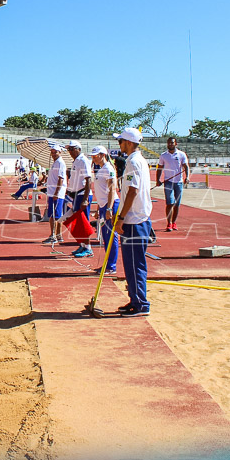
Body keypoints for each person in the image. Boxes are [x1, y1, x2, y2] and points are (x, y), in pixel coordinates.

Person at [114, 126, 153, 317]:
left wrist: (121, 218)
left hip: (134, 221)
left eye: (120, 141)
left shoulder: (134, 162)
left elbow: (132, 191)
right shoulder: (137, 161)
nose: (119, 144)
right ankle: (135, 299)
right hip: (136, 218)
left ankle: (140, 304)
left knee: (135, 264)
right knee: (130, 264)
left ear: (129, 143)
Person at [90, 145, 119, 273]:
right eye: (92, 156)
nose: (93, 159)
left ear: (103, 155)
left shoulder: (108, 168)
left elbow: (112, 188)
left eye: (95, 156)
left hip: (110, 205)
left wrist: (109, 208)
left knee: (111, 236)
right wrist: (98, 208)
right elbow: (101, 191)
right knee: (106, 237)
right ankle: (108, 264)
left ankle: (111, 266)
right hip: (104, 205)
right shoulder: (101, 169)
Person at [65, 141, 94, 257]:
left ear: (78, 149)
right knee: (77, 222)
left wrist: (85, 199)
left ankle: (88, 248)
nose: (70, 152)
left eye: (71, 149)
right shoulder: (76, 161)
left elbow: (88, 180)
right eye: (69, 150)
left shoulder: (83, 160)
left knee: (83, 222)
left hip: (82, 195)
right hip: (76, 194)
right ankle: (82, 245)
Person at [155, 137, 189, 232]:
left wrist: (187, 177)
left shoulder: (181, 154)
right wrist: (157, 180)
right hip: (168, 182)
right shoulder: (163, 155)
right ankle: (169, 223)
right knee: (169, 203)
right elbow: (160, 168)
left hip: (179, 182)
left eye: (172, 143)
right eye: (169, 143)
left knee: (177, 204)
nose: (170, 144)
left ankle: (174, 222)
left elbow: (186, 166)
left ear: (176, 144)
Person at [42, 143, 67, 245]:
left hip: (56, 193)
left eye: (55, 152)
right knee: (56, 215)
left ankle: (54, 236)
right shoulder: (55, 163)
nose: (53, 154)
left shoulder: (60, 163)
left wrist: (56, 193)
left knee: (54, 216)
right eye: (52, 152)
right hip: (52, 192)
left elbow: (61, 178)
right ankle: (58, 235)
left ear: (60, 152)